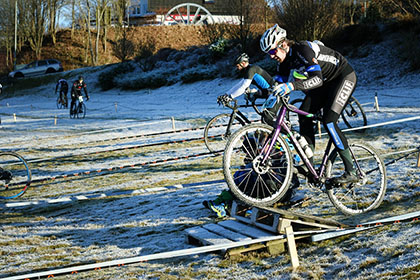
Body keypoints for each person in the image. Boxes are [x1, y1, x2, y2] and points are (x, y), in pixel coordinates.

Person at [203, 53, 300, 218]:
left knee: (268, 119)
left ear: (244, 63)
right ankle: (223, 202)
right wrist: (243, 94)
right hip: (270, 95)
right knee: (265, 123)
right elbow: (246, 86)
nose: (237, 68)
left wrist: (229, 95)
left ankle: (288, 137)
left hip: (278, 94)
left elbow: (241, 86)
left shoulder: (252, 69)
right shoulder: (248, 73)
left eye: (238, 65)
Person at [260, 24, 359, 184]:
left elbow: (317, 78)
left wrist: (292, 85)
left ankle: (351, 171)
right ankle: (309, 164)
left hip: (343, 76)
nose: (271, 56)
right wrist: (269, 108)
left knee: (329, 121)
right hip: (325, 83)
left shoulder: (302, 49)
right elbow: (277, 87)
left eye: (272, 51)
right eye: (268, 54)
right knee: (303, 115)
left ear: (283, 44)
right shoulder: (283, 61)